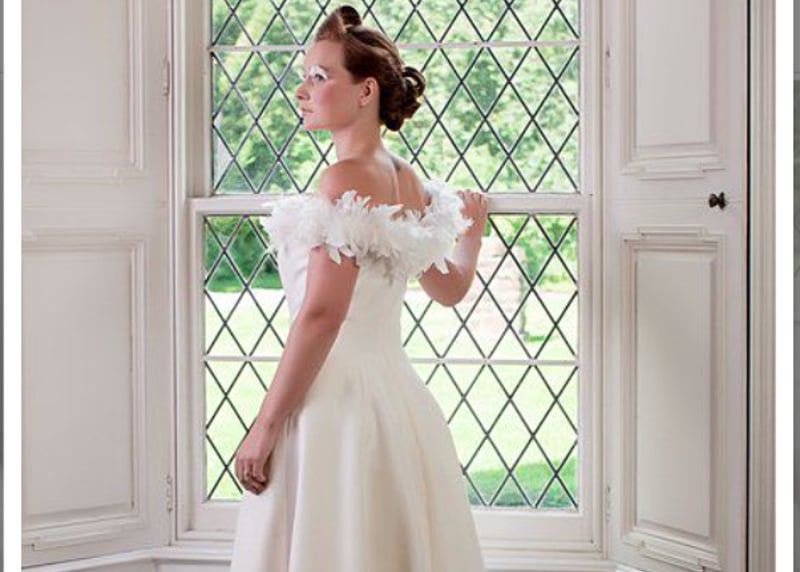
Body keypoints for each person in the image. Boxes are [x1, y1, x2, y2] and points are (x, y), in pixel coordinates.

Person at [229, 5, 488, 571]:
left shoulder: (344, 178)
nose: (302, 91)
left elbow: (323, 315)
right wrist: (471, 236)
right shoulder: (405, 178)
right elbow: (448, 288)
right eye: (304, 76)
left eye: (319, 77)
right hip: (397, 403)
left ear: (366, 90)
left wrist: (265, 425)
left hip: (335, 405)